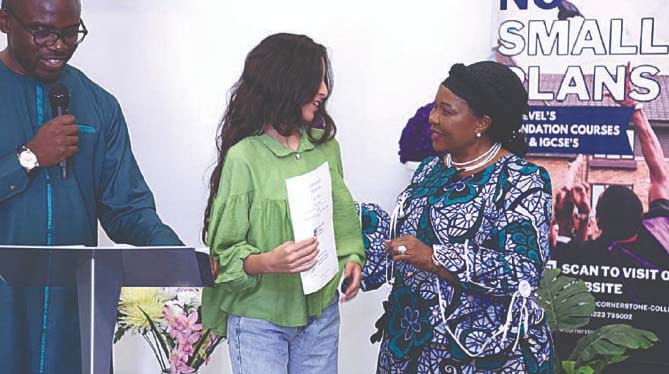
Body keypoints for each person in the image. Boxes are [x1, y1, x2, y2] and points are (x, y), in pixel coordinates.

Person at [0, 0, 182, 372]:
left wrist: (176, 257)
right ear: (4, 21)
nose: (59, 45)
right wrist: (29, 157)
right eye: (43, 32)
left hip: (75, 312)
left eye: (71, 32)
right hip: (6, 308)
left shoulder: (98, 105)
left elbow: (127, 209)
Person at [201, 33, 365, 374]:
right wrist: (267, 262)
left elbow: (341, 219)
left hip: (321, 315)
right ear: (286, 82)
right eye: (315, 79)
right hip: (259, 322)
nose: (323, 90)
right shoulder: (244, 158)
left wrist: (351, 259)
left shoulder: (325, 148)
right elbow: (222, 257)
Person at [375, 61, 554, 373]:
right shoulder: (432, 168)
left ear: (481, 122)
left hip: (485, 355)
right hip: (412, 346)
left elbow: (523, 270)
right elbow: (409, 237)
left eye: (447, 111)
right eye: (434, 107)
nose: (432, 118)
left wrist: (435, 258)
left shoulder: (523, 179)